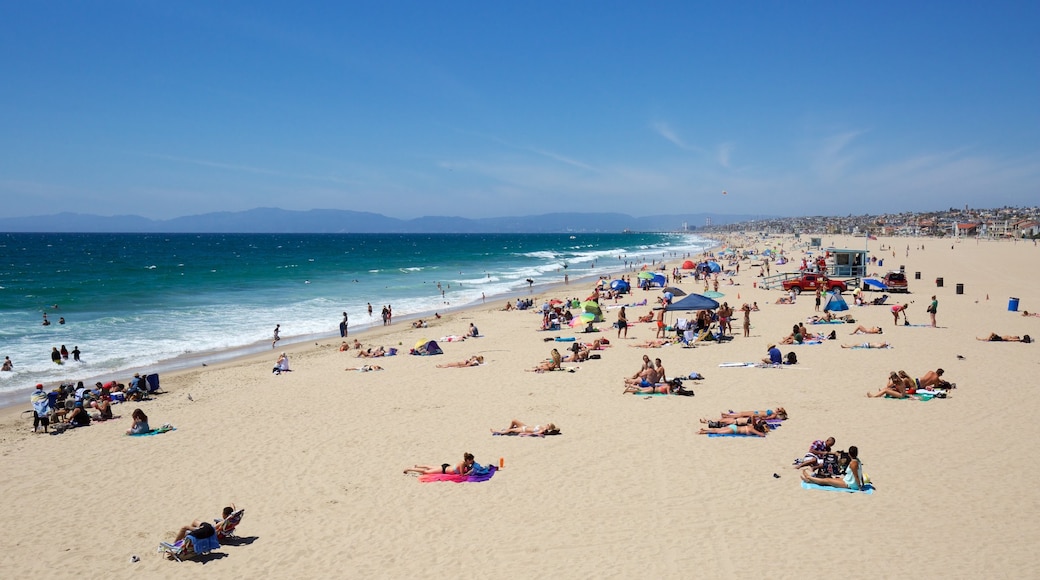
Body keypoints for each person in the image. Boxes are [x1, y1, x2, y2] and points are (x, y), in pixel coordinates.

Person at [801, 446, 865, 491]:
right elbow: (860, 473)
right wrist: (863, 483)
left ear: (849, 454)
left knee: (827, 481)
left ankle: (809, 477)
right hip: (848, 480)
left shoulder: (853, 463)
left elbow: (856, 475)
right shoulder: (858, 460)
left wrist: (859, 487)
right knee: (829, 479)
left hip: (851, 484)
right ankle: (809, 481)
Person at [403, 452, 476, 476]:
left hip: (446, 467)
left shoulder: (466, 464)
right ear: (467, 460)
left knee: (430, 467)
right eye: (471, 460)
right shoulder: (462, 464)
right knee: (426, 472)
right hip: (444, 469)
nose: (472, 461)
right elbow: (462, 475)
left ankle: (417, 466)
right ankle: (409, 469)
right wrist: (469, 472)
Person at [697, 420, 769, 436]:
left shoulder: (752, 426)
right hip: (734, 430)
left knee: (719, 430)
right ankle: (704, 432)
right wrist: (764, 432)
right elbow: (762, 435)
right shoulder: (752, 429)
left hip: (734, 427)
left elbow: (754, 418)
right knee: (718, 432)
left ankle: (705, 430)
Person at [491, 420, 560, 436]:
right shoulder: (542, 427)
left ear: (549, 427)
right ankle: (507, 430)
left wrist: (525, 434)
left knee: (510, 430)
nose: (547, 424)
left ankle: (496, 431)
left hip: (523, 429)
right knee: (514, 421)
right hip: (525, 426)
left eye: (548, 425)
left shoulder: (543, 430)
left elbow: (535, 433)